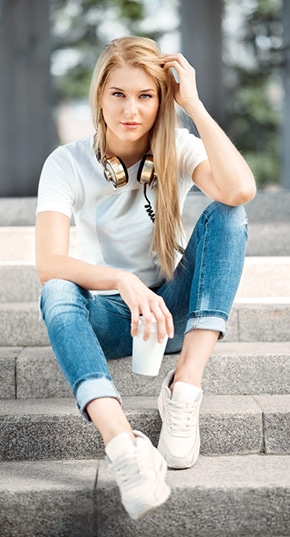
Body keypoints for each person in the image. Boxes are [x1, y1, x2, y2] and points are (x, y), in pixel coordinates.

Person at [35, 36, 256, 520]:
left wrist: (193, 104)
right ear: (99, 97)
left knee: (230, 214)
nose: (131, 109)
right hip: (116, 316)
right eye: (118, 94)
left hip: (172, 307)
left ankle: (184, 389)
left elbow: (240, 189)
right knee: (56, 291)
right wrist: (121, 280)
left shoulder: (177, 145)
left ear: (162, 100)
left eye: (145, 95)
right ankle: (125, 449)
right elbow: (49, 262)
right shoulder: (66, 163)